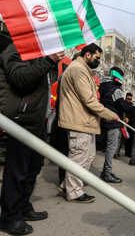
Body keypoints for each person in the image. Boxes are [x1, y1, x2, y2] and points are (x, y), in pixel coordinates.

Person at [0, 32, 64, 234]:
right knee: (17, 171)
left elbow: (45, 81)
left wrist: (50, 62)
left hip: (37, 121)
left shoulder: (35, 52)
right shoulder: (14, 48)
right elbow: (20, 78)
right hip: (22, 121)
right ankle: (9, 217)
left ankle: (23, 207)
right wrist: (48, 60)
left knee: (32, 168)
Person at [58, 43, 119, 203]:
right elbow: (89, 100)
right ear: (88, 55)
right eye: (97, 58)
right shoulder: (78, 70)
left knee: (89, 156)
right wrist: (109, 114)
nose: (98, 61)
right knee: (79, 156)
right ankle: (74, 192)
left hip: (85, 121)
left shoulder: (83, 70)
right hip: (78, 121)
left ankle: (67, 185)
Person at [99, 67, 135, 183]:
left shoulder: (104, 87)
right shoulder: (115, 90)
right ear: (119, 77)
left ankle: (106, 171)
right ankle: (107, 174)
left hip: (106, 119)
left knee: (110, 146)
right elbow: (123, 106)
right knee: (111, 147)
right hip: (113, 121)